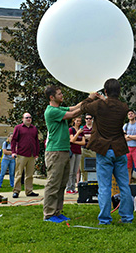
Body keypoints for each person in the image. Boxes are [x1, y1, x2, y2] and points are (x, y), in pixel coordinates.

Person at [81, 79, 134, 225]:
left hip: (104, 150)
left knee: (104, 187)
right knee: (124, 186)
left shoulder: (99, 105)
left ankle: (104, 219)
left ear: (105, 91)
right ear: (119, 91)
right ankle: (127, 218)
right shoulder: (123, 107)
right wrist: (103, 99)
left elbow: (85, 107)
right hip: (119, 150)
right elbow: (111, 106)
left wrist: (91, 97)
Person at [43, 85, 82, 222]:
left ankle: (57, 212)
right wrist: (90, 106)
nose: (62, 96)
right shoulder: (52, 111)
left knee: (61, 184)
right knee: (53, 183)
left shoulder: (59, 108)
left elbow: (75, 107)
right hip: (55, 151)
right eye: (59, 94)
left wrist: (90, 99)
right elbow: (73, 114)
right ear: (52, 97)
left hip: (64, 150)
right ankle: (49, 214)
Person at [11, 113, 40, 198]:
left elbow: (36, 142)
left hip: (31, 155)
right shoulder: (18, 128)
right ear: (22, 119)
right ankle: (16, 191)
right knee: (19, 174)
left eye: (30, 117)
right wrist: (13, 152)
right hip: (21, 154)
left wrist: (36, 153)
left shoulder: (34, 129)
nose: (28, 119)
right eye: (27, 117)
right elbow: (13, 140)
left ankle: (29, 191)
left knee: (29, 175)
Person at [67, 116, 86, 194]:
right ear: (74, 121)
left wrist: (75, 142)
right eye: (77, 121)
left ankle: (73, 187)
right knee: (70, 171)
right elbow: (71, 140)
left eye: (80, 121)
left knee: (75, 171)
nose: (78, 122)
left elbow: (83, 142)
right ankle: (68, 188)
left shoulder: (82, 131)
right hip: (72, 151)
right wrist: (77, 133)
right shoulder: (71, 130)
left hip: (78, 151)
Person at [80, 114, 97, 182]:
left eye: (90, 118)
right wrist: (88, 137)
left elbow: (96, 137)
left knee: (94, 166)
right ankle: (85, 181)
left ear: (92, 119)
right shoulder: (82, 128)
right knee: (83, 167)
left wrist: (89, 137)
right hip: (84, 149)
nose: (88, 120)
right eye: (87, 118)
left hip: (93, 149)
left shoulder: (95, 128)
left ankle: (94, 181)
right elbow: (80, 137)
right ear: (85, 120)